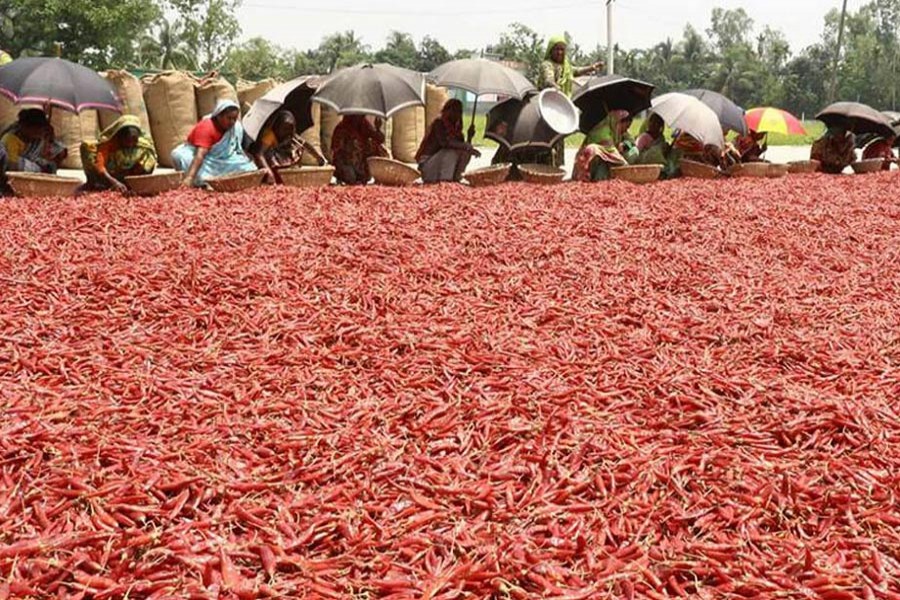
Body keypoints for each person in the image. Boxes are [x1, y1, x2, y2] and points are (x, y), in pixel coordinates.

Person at [538, 35, 603, 168]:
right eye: (556, 49)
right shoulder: (547, 65)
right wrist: (554, 86)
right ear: (551, 50)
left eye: (562, 49)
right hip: (546, 105)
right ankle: (546, 165)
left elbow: (576, 71)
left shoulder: (565, 66)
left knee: (559, 136)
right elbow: (548, 79)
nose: (560, 52)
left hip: (560, 104)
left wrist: (592, 67)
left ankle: (557, 166)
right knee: (548, 137)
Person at [171, 99, 256, 187]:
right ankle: (201, 179)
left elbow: (235, 149)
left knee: (250, 168)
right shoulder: (207, 127)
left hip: (224, 160)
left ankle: (213, 178)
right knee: (180, 157)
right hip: (204, 159)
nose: (232, 122)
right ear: (219, 116)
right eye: (229, 118)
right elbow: (200, 155)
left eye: (234, 119)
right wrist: (190, 177)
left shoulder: (235, 128)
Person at [78, 115, 157, 193]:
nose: (131, 144)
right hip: (111, 174)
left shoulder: (142, 145)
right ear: (120, 136)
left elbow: (150, 161)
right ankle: (94, 183)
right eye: (128, 140)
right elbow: (100, 166)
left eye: (134, 140)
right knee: (87, 148)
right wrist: (114, 182)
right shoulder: (108, 143)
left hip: (130, 173)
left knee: (148, 156)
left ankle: (133, 183)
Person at [250, 110, 327, 184]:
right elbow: (259, 154)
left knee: (297, 146)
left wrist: (318, 157)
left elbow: (306, 145)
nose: (287, 132)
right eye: (284, 129)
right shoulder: (270, 135)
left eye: (290, 129)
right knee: (271, 153)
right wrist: (268, 172)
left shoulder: (290, 134)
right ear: (277, 127)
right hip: (269, 162)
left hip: (281, 161)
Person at [416, 99, 480, 183]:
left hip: (441, 167)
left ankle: (456, 178)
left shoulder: (456, 130)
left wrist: (469, 137)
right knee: (450, 152)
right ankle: (445, 181)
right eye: (454, 111)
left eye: (459, 112)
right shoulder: (438, 124)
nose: (457, 114)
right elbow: (445, 143)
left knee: (466, 152)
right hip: (429, 168)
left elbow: (462, 147)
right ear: (447, 110)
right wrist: (465, 145)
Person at [572, 109, 636, 182]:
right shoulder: (603, 132)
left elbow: (632, 142)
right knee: (596, 155)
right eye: (626, 126)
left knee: (633, 151)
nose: (626, 130)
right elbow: (612, 153)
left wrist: (625, 145)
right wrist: (626, 167)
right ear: (618, 123)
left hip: (603, 160)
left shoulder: (616, 130)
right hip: (591, 163)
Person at [1, 108, 68, 174]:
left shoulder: (39, 139)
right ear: (25, 126)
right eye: (37, 129)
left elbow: (57, 152)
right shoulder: (11, 139)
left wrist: (48, 140)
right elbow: (13, 166)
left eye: (41, 129)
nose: (40, 132)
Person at [330, 115, 389, 185]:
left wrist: (378, 128)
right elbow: (335, 152)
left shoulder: (363, 125)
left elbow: (379, 139)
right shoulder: (342, 128)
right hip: (346, 163)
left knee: (362, 178)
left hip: (360, 163)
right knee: (350, 178)